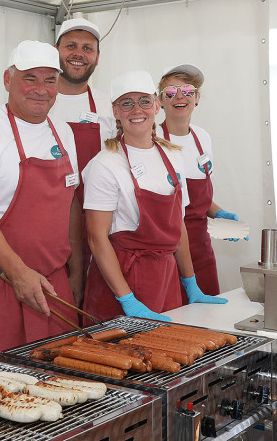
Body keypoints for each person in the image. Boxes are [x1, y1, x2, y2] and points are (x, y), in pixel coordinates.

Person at [0, 40, 82, 360]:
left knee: (59, 386)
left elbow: (71, 206)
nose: (41, 89)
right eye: (30, 78)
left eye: (50, 80)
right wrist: (20, 275)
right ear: (8, 80)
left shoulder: (63, 132)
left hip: (53, 285)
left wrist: (76, 273)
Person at [82, 71, 227, 323]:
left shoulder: (173, 156)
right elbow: (97, 239)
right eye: (126, 103)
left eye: (144, 101)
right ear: (115, 112)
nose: (136, 109)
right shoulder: (105, 164)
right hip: (121, 280)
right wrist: (126, 298)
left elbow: (177, 223)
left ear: (157, 106)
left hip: (166, 278)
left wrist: (190, 283)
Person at [157, 65, 244, 299]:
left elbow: (199, 197)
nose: (179, 97)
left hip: (201, 248)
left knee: (207, 322)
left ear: (197, 98)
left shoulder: (202, 137)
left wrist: (219, 213)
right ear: (160, 100)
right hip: (166, 250)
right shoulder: (151, 138)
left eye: (187, 90)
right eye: (170, 92)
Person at [50, 17, 117, 286]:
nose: (79, 54)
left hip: (96, 221)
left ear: (98, 58)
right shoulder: (38, 102)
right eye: (71, 46)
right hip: (50, 221)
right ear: (56, 50)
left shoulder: (108, 107)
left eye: (87, 48)